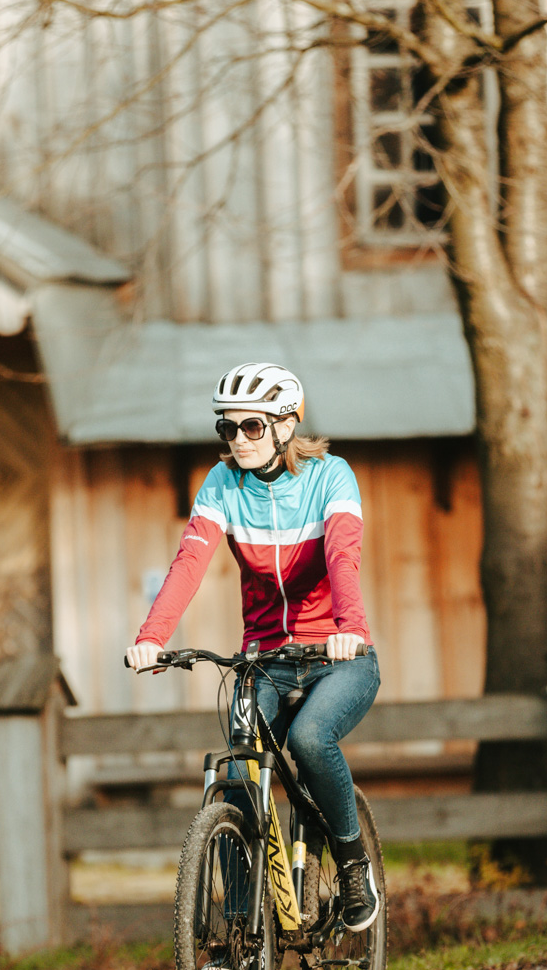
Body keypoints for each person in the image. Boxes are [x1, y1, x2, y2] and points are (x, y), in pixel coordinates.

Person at [125, 361, 382, 932]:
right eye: (228, 428)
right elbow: (190, 563)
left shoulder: (330, 476)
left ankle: (351, 862)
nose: (238, 439)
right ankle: (241, 924)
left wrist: (350, 627)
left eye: (252, 427)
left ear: (287, 425)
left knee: (311, 738)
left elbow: (343, 557)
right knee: (238, 768)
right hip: (264, 658)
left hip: (337, 657)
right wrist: (152, 637)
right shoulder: (222, 485)